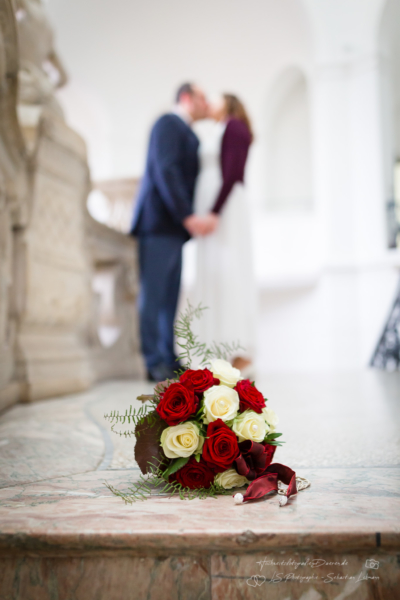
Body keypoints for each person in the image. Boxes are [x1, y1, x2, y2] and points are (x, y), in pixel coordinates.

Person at [130, 83, 217, 382]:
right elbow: (165, 169)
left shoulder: (190, 133)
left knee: (170, 297)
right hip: (157, 223)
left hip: (174, 229)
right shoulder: (167, 123)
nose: (207, 103)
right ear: (186, 98)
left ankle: (169, 357)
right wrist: (187, 215)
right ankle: (153, 361)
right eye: (202, 97)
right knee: (153, 296)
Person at [193, 93, 256, 374]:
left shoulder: (234, 126)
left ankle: (238, 347)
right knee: (215, 274)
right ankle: (218, 347)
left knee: (230, 272)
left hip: (226, 208)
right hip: (217, 206)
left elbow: (231, 173)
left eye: (215, 99)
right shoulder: (221, 128)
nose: (210, 104)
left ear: (229, 103)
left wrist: (215, 211)